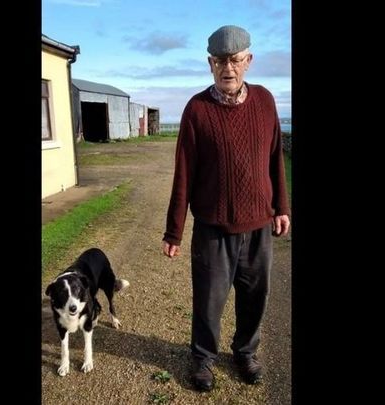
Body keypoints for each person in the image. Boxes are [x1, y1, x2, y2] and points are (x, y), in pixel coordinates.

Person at [161, 25, 290, 392]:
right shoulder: (197, 110)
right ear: (209, 64)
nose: (227, 68)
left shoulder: (265, 101)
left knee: (255, 297)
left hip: (258, 227)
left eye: (235, 60)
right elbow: (183, 173)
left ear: (248, 61)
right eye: (219, 61)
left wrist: (281, 206)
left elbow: (274, 158)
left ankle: (245, 353)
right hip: (212, 229)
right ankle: (203, 359)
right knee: (208, 301)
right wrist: (174, 231)